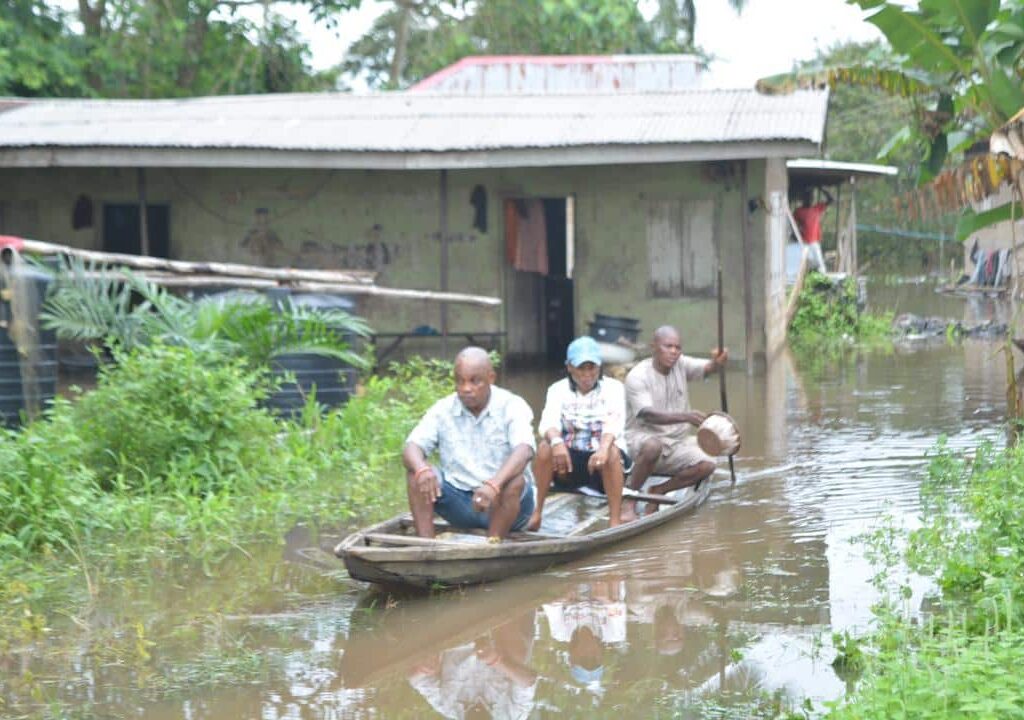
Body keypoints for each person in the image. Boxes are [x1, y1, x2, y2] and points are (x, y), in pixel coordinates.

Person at [403, 346, 536, 541]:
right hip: (460, 503)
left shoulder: (512, 406)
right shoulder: (443, 409)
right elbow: (412, 447)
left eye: (475, 381)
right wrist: (422, 469)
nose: (466, 388)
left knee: (515, 481)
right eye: (460, 381)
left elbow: (524, 450)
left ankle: (493, 544)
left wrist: (493, 485)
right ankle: (426, 546)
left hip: (506, 506)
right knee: (416, 473)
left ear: (491, 378)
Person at [623, 326, 727, 516]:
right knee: (653, 447)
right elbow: (647, 414)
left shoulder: (680, 364)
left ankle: (659, 490)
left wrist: (717, 362)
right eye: (668, 346)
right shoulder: (638, 376)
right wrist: (686, 416)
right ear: (654, 347)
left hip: (676, 443)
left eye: (678, 348)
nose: (673, 352)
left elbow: (707, 368)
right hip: (643, 441)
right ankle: (630, 498)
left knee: (709, 464)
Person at [528, 336, 629, 531]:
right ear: (569, 367)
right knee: (544, 448)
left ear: (599, 368)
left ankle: (614, 520)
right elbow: (548, 422)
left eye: (591, 368)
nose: (586, 374)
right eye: (581, 368)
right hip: (569, 463)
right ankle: (536, 513)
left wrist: (602, 449)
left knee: (612, 452)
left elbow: (614, 425)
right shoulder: (557, 390)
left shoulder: (614, 388)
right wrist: (557, 443)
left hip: (603, 460)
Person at [792, 187, 833, 273]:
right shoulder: (798, 211)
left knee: (820, 265)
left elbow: (831, 200)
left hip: (814, 242)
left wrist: (822, 189)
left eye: (811, 198)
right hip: (803, 243)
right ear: (803, 199)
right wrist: (796, 238)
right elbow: (793, 226)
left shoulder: (817, 208)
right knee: (801, 266)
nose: (810, 199)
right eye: (808, 197)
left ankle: (822, 281)